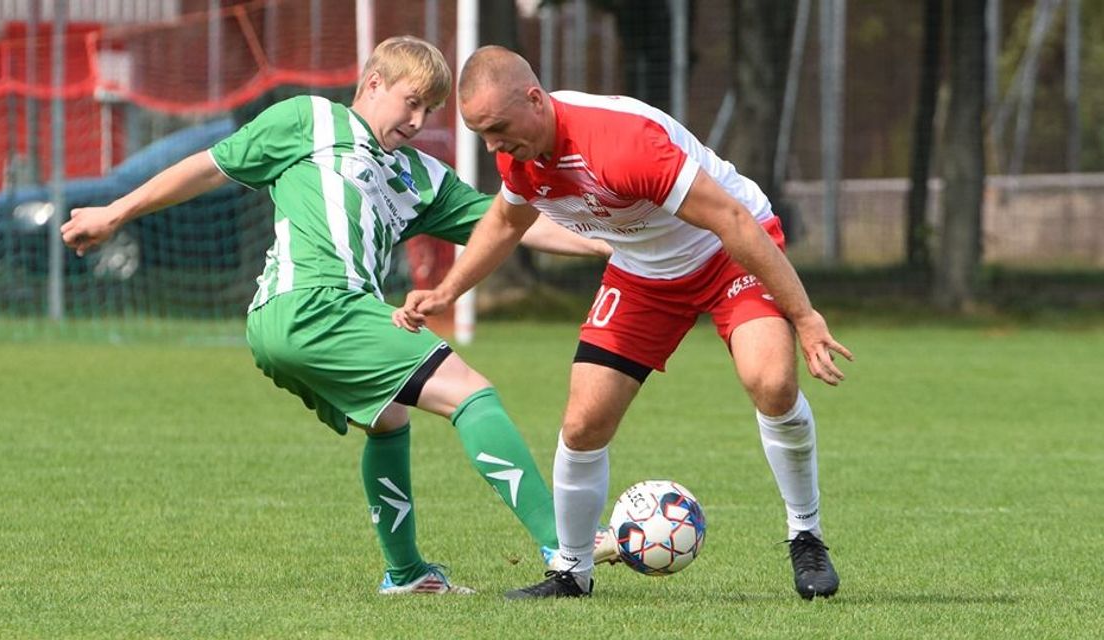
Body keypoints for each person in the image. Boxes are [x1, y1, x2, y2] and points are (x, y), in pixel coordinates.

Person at [61, 36, 614, 596]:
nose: (419, 120)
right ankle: (564, 541)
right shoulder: (310, 120)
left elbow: (510, 225)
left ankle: (406, 575)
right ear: (373, 84)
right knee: (471, 395)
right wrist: (116, 211)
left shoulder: (421, 176)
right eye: (411, 101)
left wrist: (611, 241)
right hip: (313, 304)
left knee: (388, 419)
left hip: (311, 319)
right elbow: (210, 168)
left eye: (430, 110)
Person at [393, 45, 853, 601]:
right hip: (642, 274)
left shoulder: (622, 143)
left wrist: (803, 316)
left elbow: (731, 220)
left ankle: (805, 534)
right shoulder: (520, 154)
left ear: (535, 100)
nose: (492, 146)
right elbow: (504, 223)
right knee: (584, 422)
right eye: (480, 134)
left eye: (497, 129)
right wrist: (446, 291)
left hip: (727, 252)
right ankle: (572, 571)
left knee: (772, 383)